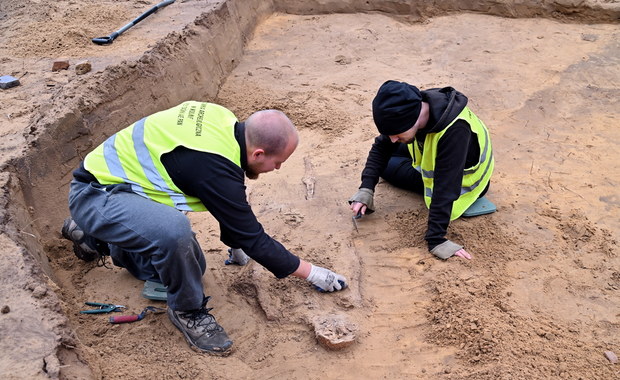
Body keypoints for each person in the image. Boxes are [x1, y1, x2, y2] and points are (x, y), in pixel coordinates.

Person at [61, 101, 347, 355]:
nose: (279, 168)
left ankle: (94, 237)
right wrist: (314, 273)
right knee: (174, 234)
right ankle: (187, 311)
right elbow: (253, 237)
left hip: (126, 187)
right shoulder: (213, 167)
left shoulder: (222, 120)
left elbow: (227, 201)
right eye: (278, 162)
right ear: (259, 153)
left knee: (190, 265)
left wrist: (234, 245)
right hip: (96, 195)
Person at [349, 80, 494, 260]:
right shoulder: (417, 105)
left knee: (387, 167)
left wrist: (436, 239)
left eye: (396, 133)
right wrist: (366, 189)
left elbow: (445, 187)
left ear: (412, 118)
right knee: (388, 155)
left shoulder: (455, 131)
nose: (393, 139)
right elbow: (382, 146)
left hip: (464, 183)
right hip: (435, 155)